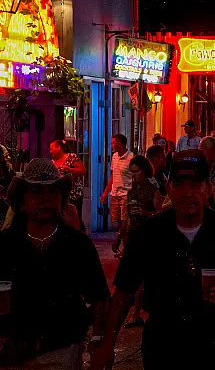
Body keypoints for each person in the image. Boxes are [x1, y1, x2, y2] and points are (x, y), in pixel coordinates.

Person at [90, 150, 215, 370]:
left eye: (195, 184)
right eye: (180, 184)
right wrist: (107, 343)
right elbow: (124, 290)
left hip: (212, 339)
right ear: (169, 187)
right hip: (162, 339)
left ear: (207, 188)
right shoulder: (151, 231)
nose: (187, 193)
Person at [0, 160, 108, 368]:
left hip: (62, 350)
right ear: (22, 202)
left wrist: (98, 340)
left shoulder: (76, 243)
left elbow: (99, 296)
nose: (46, 200)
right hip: (11, 351)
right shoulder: (5, 244)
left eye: (52, 193)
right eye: (36, 193)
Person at [113, 156, 163, 328]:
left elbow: (161, 215)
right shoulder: (132, 191)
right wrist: (119, 236)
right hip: (134, 234)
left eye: (137, 171)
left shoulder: (153, 190)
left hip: (149, 235)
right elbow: (127, 218)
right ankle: (136, 313)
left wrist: (144, 212)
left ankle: (141, 312)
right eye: (132, 172)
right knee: (133, 276)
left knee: (145, 275)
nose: (134, 175)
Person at [101, 134, 134, 230]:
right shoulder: (115, 156)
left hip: (125, 194)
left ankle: (120, 242)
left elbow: (135, 176)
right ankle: (122, 242)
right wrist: (105, 192)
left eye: (113, 143)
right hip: (114, 194)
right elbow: (113, 175)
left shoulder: (131, 157)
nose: (112, 145)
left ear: (120, 144)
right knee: (118, 222)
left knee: (125, 222)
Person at [49, 139, 87, 226]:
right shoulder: (52, 163)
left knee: (76, 219)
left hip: (74, 195)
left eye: (51, 149)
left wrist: (70, 169)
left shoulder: (71, 157)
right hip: (60, 196)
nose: (50, 151)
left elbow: (83, 171)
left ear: (58, 148)